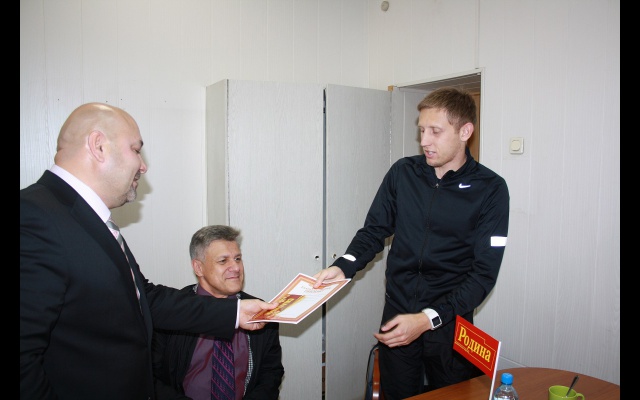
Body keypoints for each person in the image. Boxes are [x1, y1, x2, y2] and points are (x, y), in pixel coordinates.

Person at [20, 102, 276, 400]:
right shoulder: (34, 217)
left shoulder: (87, 220)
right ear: (98, 146)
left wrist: (236, 312)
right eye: (135, 149)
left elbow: (144, 298)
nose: (143, 166)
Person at [313, 87, 510, 400]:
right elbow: (374, 230)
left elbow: (483, 275)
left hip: (449, 320)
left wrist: (428, 318)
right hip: (399, 311)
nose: (424, 141)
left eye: (435, 131)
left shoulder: (491, 189)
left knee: (452, 396)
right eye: (421, 130)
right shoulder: (403, 173)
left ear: (465, 132)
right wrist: (343, 267)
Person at [152, 225, 284, 400]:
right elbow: (152, 378)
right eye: (223, 261)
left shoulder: (261, 311)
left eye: (238, 259)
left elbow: (271, 373)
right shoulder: (171, 312)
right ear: (198, 268)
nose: (236, 267)